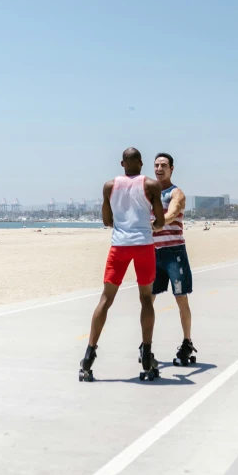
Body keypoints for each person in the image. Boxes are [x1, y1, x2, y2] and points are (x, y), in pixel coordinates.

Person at [79, 147, 165, 381]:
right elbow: (160, 221)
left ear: (122, 164)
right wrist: (151, 226)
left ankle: (88, 358)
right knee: (146, 298)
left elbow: (107, 221)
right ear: (141, 162)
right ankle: (147, 355)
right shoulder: (151, 185)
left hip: (119, 246)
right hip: (144, 245)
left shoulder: (109, 186)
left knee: (106, 299)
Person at [151, 152, 197, 366]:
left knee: (181, 297)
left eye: (164, 165)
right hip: (153, 252)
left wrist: (153, 225)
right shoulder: (148, 192)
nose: (159, 169)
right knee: (148, 298)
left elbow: (171, 214)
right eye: (157, 165)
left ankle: (187, 342)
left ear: (171, 169)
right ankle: (146, 344)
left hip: (174, 253)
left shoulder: (176, 193)